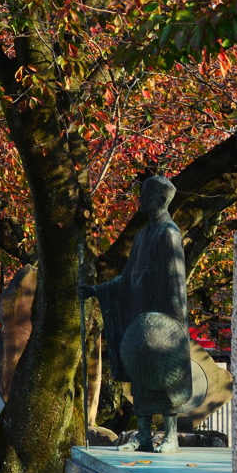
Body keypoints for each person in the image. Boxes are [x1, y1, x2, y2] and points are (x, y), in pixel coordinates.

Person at [80, 176, 192, 453]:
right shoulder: (142, 236)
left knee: (164, 370)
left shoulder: (169, 233)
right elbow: (126, 278)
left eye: (145, 194)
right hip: (140, 312)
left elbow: (177, 281)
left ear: (161, 199)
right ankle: (143, 435)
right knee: (141, 371)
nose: (139, 200)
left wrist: (176, 324)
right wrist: (97, 289)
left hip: (164, 316)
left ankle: (170, 436)